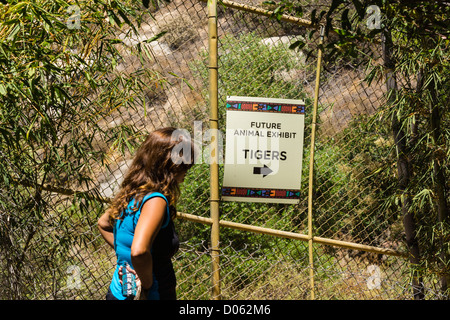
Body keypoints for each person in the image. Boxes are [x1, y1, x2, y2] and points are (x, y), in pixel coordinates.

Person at [97, 127, 194, 300]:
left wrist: (124, 255)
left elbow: (103, 224)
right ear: (170, 164)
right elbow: (139, 252)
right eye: (185, 163)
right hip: (154, 293)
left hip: (118, 291)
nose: (188, 169)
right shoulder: (156, 201)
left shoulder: (131, 192)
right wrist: (146, 287)